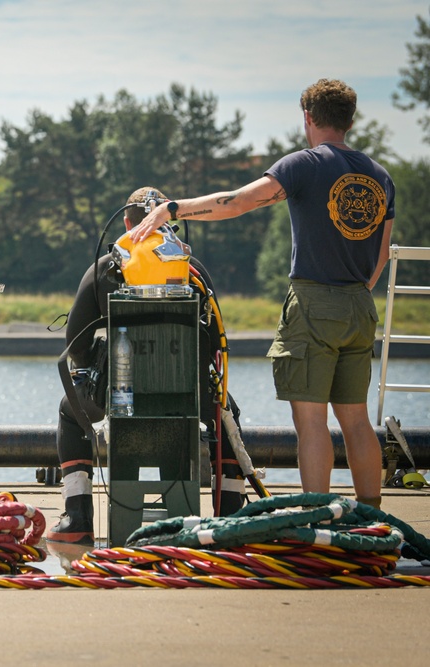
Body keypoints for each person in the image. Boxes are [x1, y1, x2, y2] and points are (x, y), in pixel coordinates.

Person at [129, 79, 394, 510]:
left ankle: (317, 520)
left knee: (311, 422)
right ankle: (372, 515)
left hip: (313, 304)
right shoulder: (380, 177)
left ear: (307, 117)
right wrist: (354, 293)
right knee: (357, 420)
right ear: (350, 120)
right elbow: (381, 255)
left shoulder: (304, 165)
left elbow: (237, 202)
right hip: (361, 306)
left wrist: (172, 208)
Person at [46, 187, 248, 545]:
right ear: (168, 221)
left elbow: (74, 346)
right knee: (227, 411)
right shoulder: (192, 268)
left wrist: (101, 369)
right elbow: (215, 340)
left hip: (120, 395)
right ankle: (231, 517)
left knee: (68, 410)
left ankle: (77, 517)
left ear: (126, 223)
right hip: (190, 395)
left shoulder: (104, 267)